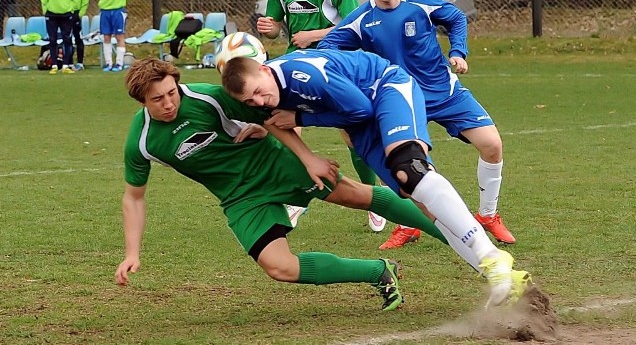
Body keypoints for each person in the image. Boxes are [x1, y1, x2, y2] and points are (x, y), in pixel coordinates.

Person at [114, 57, 470, 312]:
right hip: (239, 198)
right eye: (158, 99)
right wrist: (132, 252)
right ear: (141, 102)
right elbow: (134, 198)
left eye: (172, 92)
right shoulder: (142, 141)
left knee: (357, 197)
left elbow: (268, 114)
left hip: (272, 164)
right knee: (279, 267)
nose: (169, 102)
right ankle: (379, 271)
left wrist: (307, 158)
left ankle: (464, 242)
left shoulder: (204, 97)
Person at [222, 49, 532, 308]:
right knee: (423, 204)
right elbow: (273, 120)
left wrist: (303, 118)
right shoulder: (264, 95)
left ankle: (492, 258)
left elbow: (359, 107)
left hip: (385, 89)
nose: (260, 102)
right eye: (250, 101)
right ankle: (501, 276)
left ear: (264, 69)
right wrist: (305, 155)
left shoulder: (305, 75)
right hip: (359, 125)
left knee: (408, 169)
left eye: (259, 92)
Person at [319, 0, 516, 248]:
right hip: (400, 100)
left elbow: (456, 18)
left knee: (492, 145)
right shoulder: (362, 19)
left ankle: (488, 215)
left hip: (444, 91)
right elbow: (328, 49)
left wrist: (458, 52)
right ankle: (407, 225)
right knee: (403, 163)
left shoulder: (421, 3)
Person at [257, 0, 383, 231]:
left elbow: (355, 25)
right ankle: (297, 199)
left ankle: (374, 199)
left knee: (353, 136)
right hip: (294, 68)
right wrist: (269, 28)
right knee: (286, 131)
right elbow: (275, 25)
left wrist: (313, 33)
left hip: (334, 66)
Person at [40, 0, 80, 74]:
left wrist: (71, 8)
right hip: (51, 14)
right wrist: (45, 8)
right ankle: (54, 66)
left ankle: (66, 65)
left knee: (67, 40)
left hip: (66, 14)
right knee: (52, 40)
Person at [98, 0, 132, 72]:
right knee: (106, 37)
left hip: (118, 11)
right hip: (105, 11)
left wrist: (119, 2)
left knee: (119, 36)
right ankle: (108, 63)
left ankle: (119, 63)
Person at [69, 0, 90, 71]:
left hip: (76, 13)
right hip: (65, 12)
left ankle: (80, 62)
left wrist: (80, 13)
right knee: (67, 37)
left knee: (78, 37)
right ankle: (68, 62)